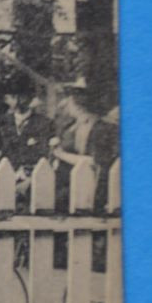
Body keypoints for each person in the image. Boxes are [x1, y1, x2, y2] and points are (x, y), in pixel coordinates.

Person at [0, 77, 55, 203]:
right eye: (12, 97)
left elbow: (50, 156)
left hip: (31, 179)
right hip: (5, 174)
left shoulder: (44, 123)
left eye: (22, 96)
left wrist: (32, 179)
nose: (17, 101)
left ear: (30, 98)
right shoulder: (2, 122)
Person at [50, 78, 120, 212]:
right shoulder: (71, 127)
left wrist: (60, 154)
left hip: (89, 190)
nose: (64, 104)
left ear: (77, 103)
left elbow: (94, 162)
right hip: (69, 184)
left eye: (69, 98)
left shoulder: (103, 128)